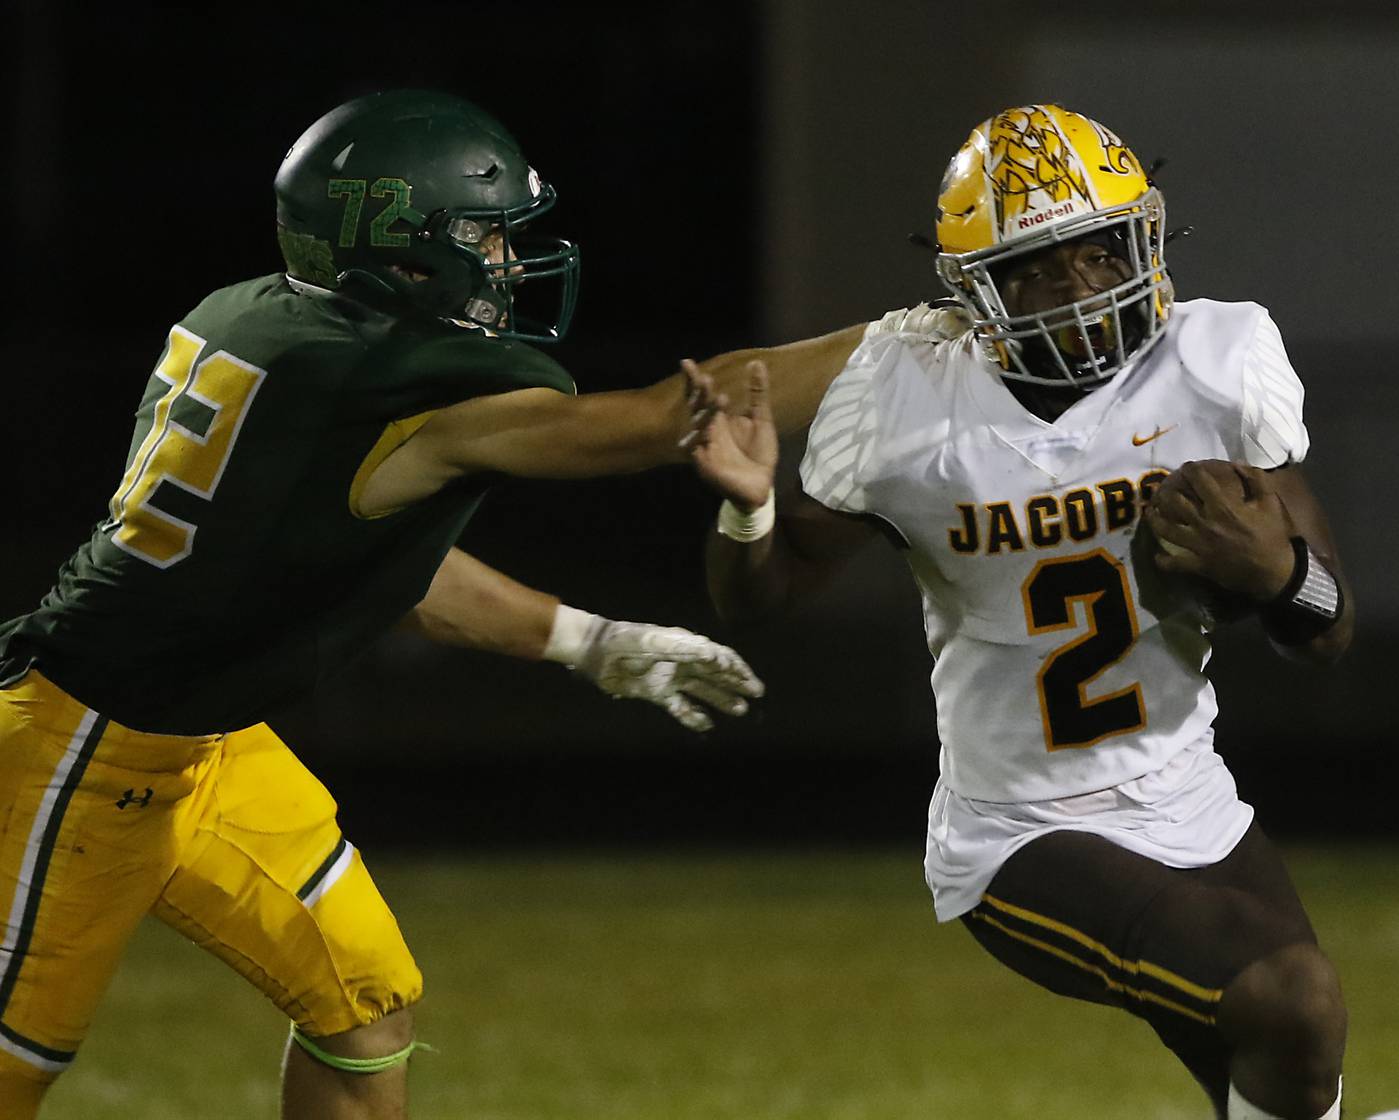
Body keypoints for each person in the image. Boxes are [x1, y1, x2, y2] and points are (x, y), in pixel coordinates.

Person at [0, 88, 882, 1120]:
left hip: (204, 744)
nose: (507, 262)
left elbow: (386, 567)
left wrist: (591, 642)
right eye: (483, 236)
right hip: (70, 754)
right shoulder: (389, 383)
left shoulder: (254, 321)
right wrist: (902, 341)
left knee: (364, 1006)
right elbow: (661, 415)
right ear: (401, 250)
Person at [686, 104, 1353, 1120]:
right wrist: (748, 507)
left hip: (1191, 797)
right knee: (1293, 999)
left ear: (1143, 236)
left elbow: (1329, 626)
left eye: (1095, 251)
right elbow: (763, 596)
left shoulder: (1212, 362)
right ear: (976, 290)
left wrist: (1279, 571)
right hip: (1024, 831)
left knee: (1295, 1072)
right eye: (1039, 267)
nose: (1080, 288)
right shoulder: (909, 403)